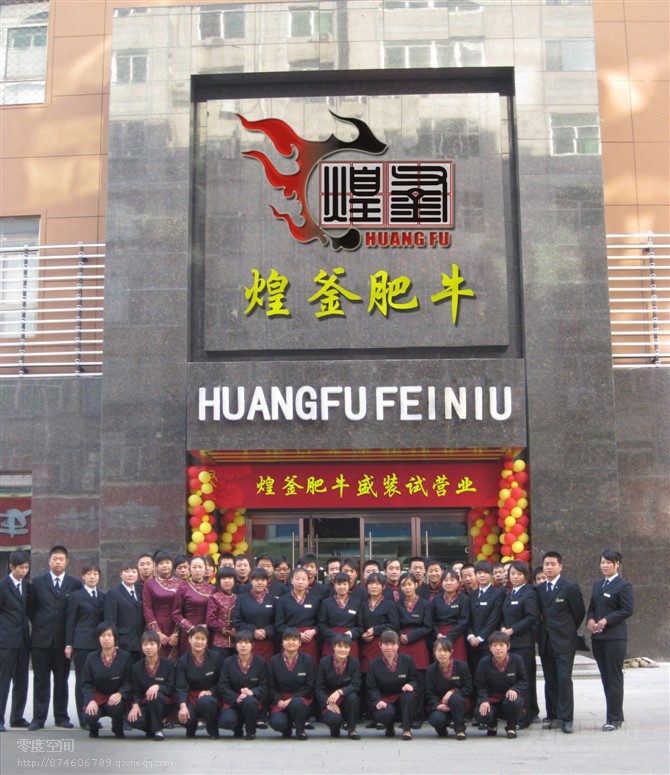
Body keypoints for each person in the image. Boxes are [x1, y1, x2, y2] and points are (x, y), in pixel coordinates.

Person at [27, 544, 82, 730]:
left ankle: (61, 717)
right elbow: (31, 610)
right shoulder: (37, 583)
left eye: (61, 559)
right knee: (40, 681)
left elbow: (74, 613)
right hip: (40, 641)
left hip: (62, 642)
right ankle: (38, 718)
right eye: (55, 559)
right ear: (49, 561)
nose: (58, 562)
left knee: (61, 681)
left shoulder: (74, 584)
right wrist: (42, 625)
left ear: (67, 562)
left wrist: (69, 642)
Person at [537, 550, 585, 734]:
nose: (549, 567)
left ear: (560, 566)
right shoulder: (540, 588)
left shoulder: (569, 587)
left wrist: (566, 629)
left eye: (553, 564)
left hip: (564, 641)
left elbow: (579, 612)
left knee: (564, 679)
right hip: (546, 641)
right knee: (550, 679)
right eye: (546, 564)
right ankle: (553, 715)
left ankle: (566, 718)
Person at [586, 549, 634, 731]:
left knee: (613, 677)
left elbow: (627, 610)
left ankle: (613, 719)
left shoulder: (623, 585)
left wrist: (607, 620)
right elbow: (592, 607)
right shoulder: (598, 585)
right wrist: (590, 620)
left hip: (615, 637)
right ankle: (616, 714)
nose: (605, 565)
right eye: (602, 562)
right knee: (606, 677)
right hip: (598, 638)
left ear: (617, 564)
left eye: (609, 562)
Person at [64, 562, 106, 729]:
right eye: (89, 574)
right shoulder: (76, 596)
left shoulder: (103, 596)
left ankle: (93, 715)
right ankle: (84, 718)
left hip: (99, 645)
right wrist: (69, 644)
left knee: (96, 680)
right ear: (83, 576)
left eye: (95, 574)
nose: (92, 577)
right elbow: (70, 622)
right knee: (82, 680)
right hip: (81, 643)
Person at [499, 560, 539, 728]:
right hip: (509, 643)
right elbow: (504, 615)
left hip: (523, 644)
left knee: (525, 679)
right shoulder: (509, 593)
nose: (515, 577)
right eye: (512, 574)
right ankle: (515, 714)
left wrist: (512, 630)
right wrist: (503, 627)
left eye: (519, 574)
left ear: (526, 576)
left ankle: (526, 716)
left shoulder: (529, 592)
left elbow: (531, 617)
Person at [81, 622, 133, 738]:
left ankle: (118, 728)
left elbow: (128, 681)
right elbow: (86, 683)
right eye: (103, 635)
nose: (106, 639)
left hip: (115, 696)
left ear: (115, 638)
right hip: (97, 696)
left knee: (116, 706)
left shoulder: (125, 657)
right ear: (98, 638)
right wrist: (90, 700)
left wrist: (120, 694)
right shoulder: (91, 657)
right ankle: (93, 728)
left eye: (109, 635)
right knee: (89, 715)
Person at [474, 631, 528, 739]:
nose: (498, 648)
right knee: (481, 714)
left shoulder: (517, 660)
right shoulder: (484, 662)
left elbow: (523, 681)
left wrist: (514, 689)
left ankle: (511, 727)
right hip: (491, 699)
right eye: (494, 645)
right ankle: (492, 725)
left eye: (501, 645)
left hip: (509, 699)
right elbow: (480, 685)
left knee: (514, 701)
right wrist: (484, 700)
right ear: (490, 648)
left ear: (508, 646)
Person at [366, 629, 418, 741]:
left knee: (409, 696)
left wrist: (411, 685)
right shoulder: (373, 664)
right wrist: (377, 701)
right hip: (385, 699)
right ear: (380, 645)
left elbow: (415, 680)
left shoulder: (407, 660)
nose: (389, 647)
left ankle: (406, 729)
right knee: (385, 714)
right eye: (386, 644)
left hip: (402, 698)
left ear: (398, 644)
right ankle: (389, 728)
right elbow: (372, 688)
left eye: (393, 644)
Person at [0, 549, 31, 732]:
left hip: (23, 641)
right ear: (12, 567)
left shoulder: (26, 586)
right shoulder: (2, 585)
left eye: (26, 567)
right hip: (6, 641)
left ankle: (17, 717)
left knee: (21, 680)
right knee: (3, 680)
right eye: (21, 568)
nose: (24, 571)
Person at [396, 572, 432, 728]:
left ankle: (418, 717)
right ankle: (404, 717)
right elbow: (394, 624)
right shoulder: (397, 604)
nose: (407, 587)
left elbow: (427, 627)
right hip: (401, 644)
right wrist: (400, 635)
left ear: (416, 585)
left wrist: (410, 637)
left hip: (418, 644)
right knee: (402, 680)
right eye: (404, 585)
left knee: (418, 682)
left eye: (410, 584)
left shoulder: (425, 604)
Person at [218, 630, 268, 740]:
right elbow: (223, 685)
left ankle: (250, 731)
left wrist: (252, 692)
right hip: (233, 700)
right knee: (226, 721)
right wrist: (236, 698)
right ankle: (237, 727)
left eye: (246, 642)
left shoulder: (260, 662)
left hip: (252, 701)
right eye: (240, 642)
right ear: (235, 645)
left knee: (249, 701)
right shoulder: (228, 662)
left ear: (252, 645)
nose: (243, 645)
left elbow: (264, 685)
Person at [267, 628, 315, 740]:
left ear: (299, 643)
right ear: (282, 642)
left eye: (294, 640)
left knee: (296, 703)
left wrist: (292, 699)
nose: (291, 642)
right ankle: (286, 728)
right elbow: (271, 686)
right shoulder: (274, 661)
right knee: (277, 723)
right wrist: (278, 700)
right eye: (287, 639)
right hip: (281, 701)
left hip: (301, 700)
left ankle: (300, 730)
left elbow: (309, 685)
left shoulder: (307, 660)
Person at [127, 630, 176, 740]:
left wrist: (158, 687)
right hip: (145, 704)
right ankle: (150, 728)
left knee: (155, 696)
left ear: (159, 646)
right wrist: (135, 705)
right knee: (133, 719)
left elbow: (170, 688)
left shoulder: (168, 664)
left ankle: (158, 730)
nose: (148, 647)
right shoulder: (136, 667)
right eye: (145, 644)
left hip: (164, 704)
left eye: (152, 644)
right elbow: (136, 692)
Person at [175, 624, 222, 738]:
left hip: (211, 697)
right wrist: (182, 706)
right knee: (185, 717)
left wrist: (211, 691)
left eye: (203, 639)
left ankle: (213, 730)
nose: (199, 642)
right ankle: (190, 728)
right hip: (191, 696)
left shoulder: (215, 657)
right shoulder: (183, 660)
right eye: (196, 638)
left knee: (206, 702)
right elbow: (180, 686)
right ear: (189, 639)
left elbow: (222, 681)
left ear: (207, 642)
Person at [315, 633, 362, 739]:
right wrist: (328, 703)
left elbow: (356, 684)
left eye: (346, 647)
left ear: (350, 648)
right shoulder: (324, 662)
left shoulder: (354, 662)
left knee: (353, 698)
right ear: (333, 646)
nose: (343, 650)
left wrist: (340, 692)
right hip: (328, 698)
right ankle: (334, 728)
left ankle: (352, 729)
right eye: (340, 646)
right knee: (333, 719)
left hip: (345, 698)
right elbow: (319, 687)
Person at [425, 637, 473, 740]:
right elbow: (430, 693)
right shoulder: (431, 670)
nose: (442, 654)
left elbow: (468, 688)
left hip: (459, 704)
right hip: (441, 704)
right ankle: (442, 730)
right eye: (439, 650)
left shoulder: (462, 666)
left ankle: (460, 729)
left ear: (451, 651)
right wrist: (437, 705)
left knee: (455, 698)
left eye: (445, 650)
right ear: (434, 652)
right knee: (436, 719)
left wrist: (452, 692)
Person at [274, 567, 321, 664]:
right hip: (289, 639)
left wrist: (314, 631)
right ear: (292, 580)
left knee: (309, 665)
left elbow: (320, 622)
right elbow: (279, 624)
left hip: (309, 639)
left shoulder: (315, 600)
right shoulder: (282, 600)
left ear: (308, 582)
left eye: (303, 579)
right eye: (297, 579)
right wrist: (297, 635)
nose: (300, 582)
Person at [466, 560, 504, 678]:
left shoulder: (498, 593)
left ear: (491, 574)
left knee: (488, 675)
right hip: (471, 643)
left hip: (488, 642)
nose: (482, 575)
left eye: (485, 573)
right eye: (479, 573)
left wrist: (480, 637)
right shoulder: (472, 595)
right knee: (473, 674)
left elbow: (494, 618)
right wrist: (470, 636)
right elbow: (467, 618)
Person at [172, 555, 215, 655]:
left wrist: (207, 625)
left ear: (205, 569)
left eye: (200, 567)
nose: (197, 570)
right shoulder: (183, 588)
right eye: (194, 567)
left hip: (207, 630)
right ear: (190, 569)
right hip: (189, 632)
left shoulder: (212, 589)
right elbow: (176, 613)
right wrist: (191, 628)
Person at [142, 550, 180, 662]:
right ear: (156, 566)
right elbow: (147, 608)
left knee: (176, 661)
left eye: (167, 562)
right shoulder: (150, 584)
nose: (165, 566)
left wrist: (177, 633)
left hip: (176, 625)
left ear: (172, 564)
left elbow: (183, 608)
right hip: (157, 625)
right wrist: (157, 632)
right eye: (161, 563)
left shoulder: (181, 583)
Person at [104, 561, 145, 663]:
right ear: (120, 574)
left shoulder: (140, 591)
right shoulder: (113, 593)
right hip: (123, 643)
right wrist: (115, 643)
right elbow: (110, 621)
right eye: (127, 571)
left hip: (140, 642)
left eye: (134, 571)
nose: (130, 574)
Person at [233, 568, 277, 662]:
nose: (260, 583)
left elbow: (278, 621)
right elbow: (237, 621)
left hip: (268, 642)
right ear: (251, 581)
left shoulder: (273, 600)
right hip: (247, 642)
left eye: (263, 580)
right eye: (257, 580)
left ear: (267, 581)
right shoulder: (241, 599)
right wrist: (253, 631)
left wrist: (266, 631)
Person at [319, 572, 364, 659]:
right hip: (331, 640)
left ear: (349, 585)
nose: (342, 587)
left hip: (350, 641)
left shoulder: (356, 603)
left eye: (344, 584)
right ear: (334, 585)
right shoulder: (326, 603)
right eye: (339, 584)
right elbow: (321, 625)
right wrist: (335, 636)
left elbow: (360, 627)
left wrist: (350, 634)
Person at [432, 569, 470, 663]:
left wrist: (449, 636)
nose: (448, 583)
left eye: (452, 580)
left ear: (458, 583)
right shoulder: (436, 599)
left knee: (457, 663)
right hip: (440, 635)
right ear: (441, 583)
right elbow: (431, 620)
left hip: (457, 636)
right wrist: (438, 634)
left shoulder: (464, 599)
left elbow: (463, 621)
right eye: (445, 580)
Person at [206, 566, 238, 661]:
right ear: (219, 581)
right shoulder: (214, 597)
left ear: (234, 580)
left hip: (236, 642)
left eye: (230, 578)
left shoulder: (237, 598)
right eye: (223, 578)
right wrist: (227, 630)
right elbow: (210, 620)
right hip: (219, 643)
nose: (227, 581)